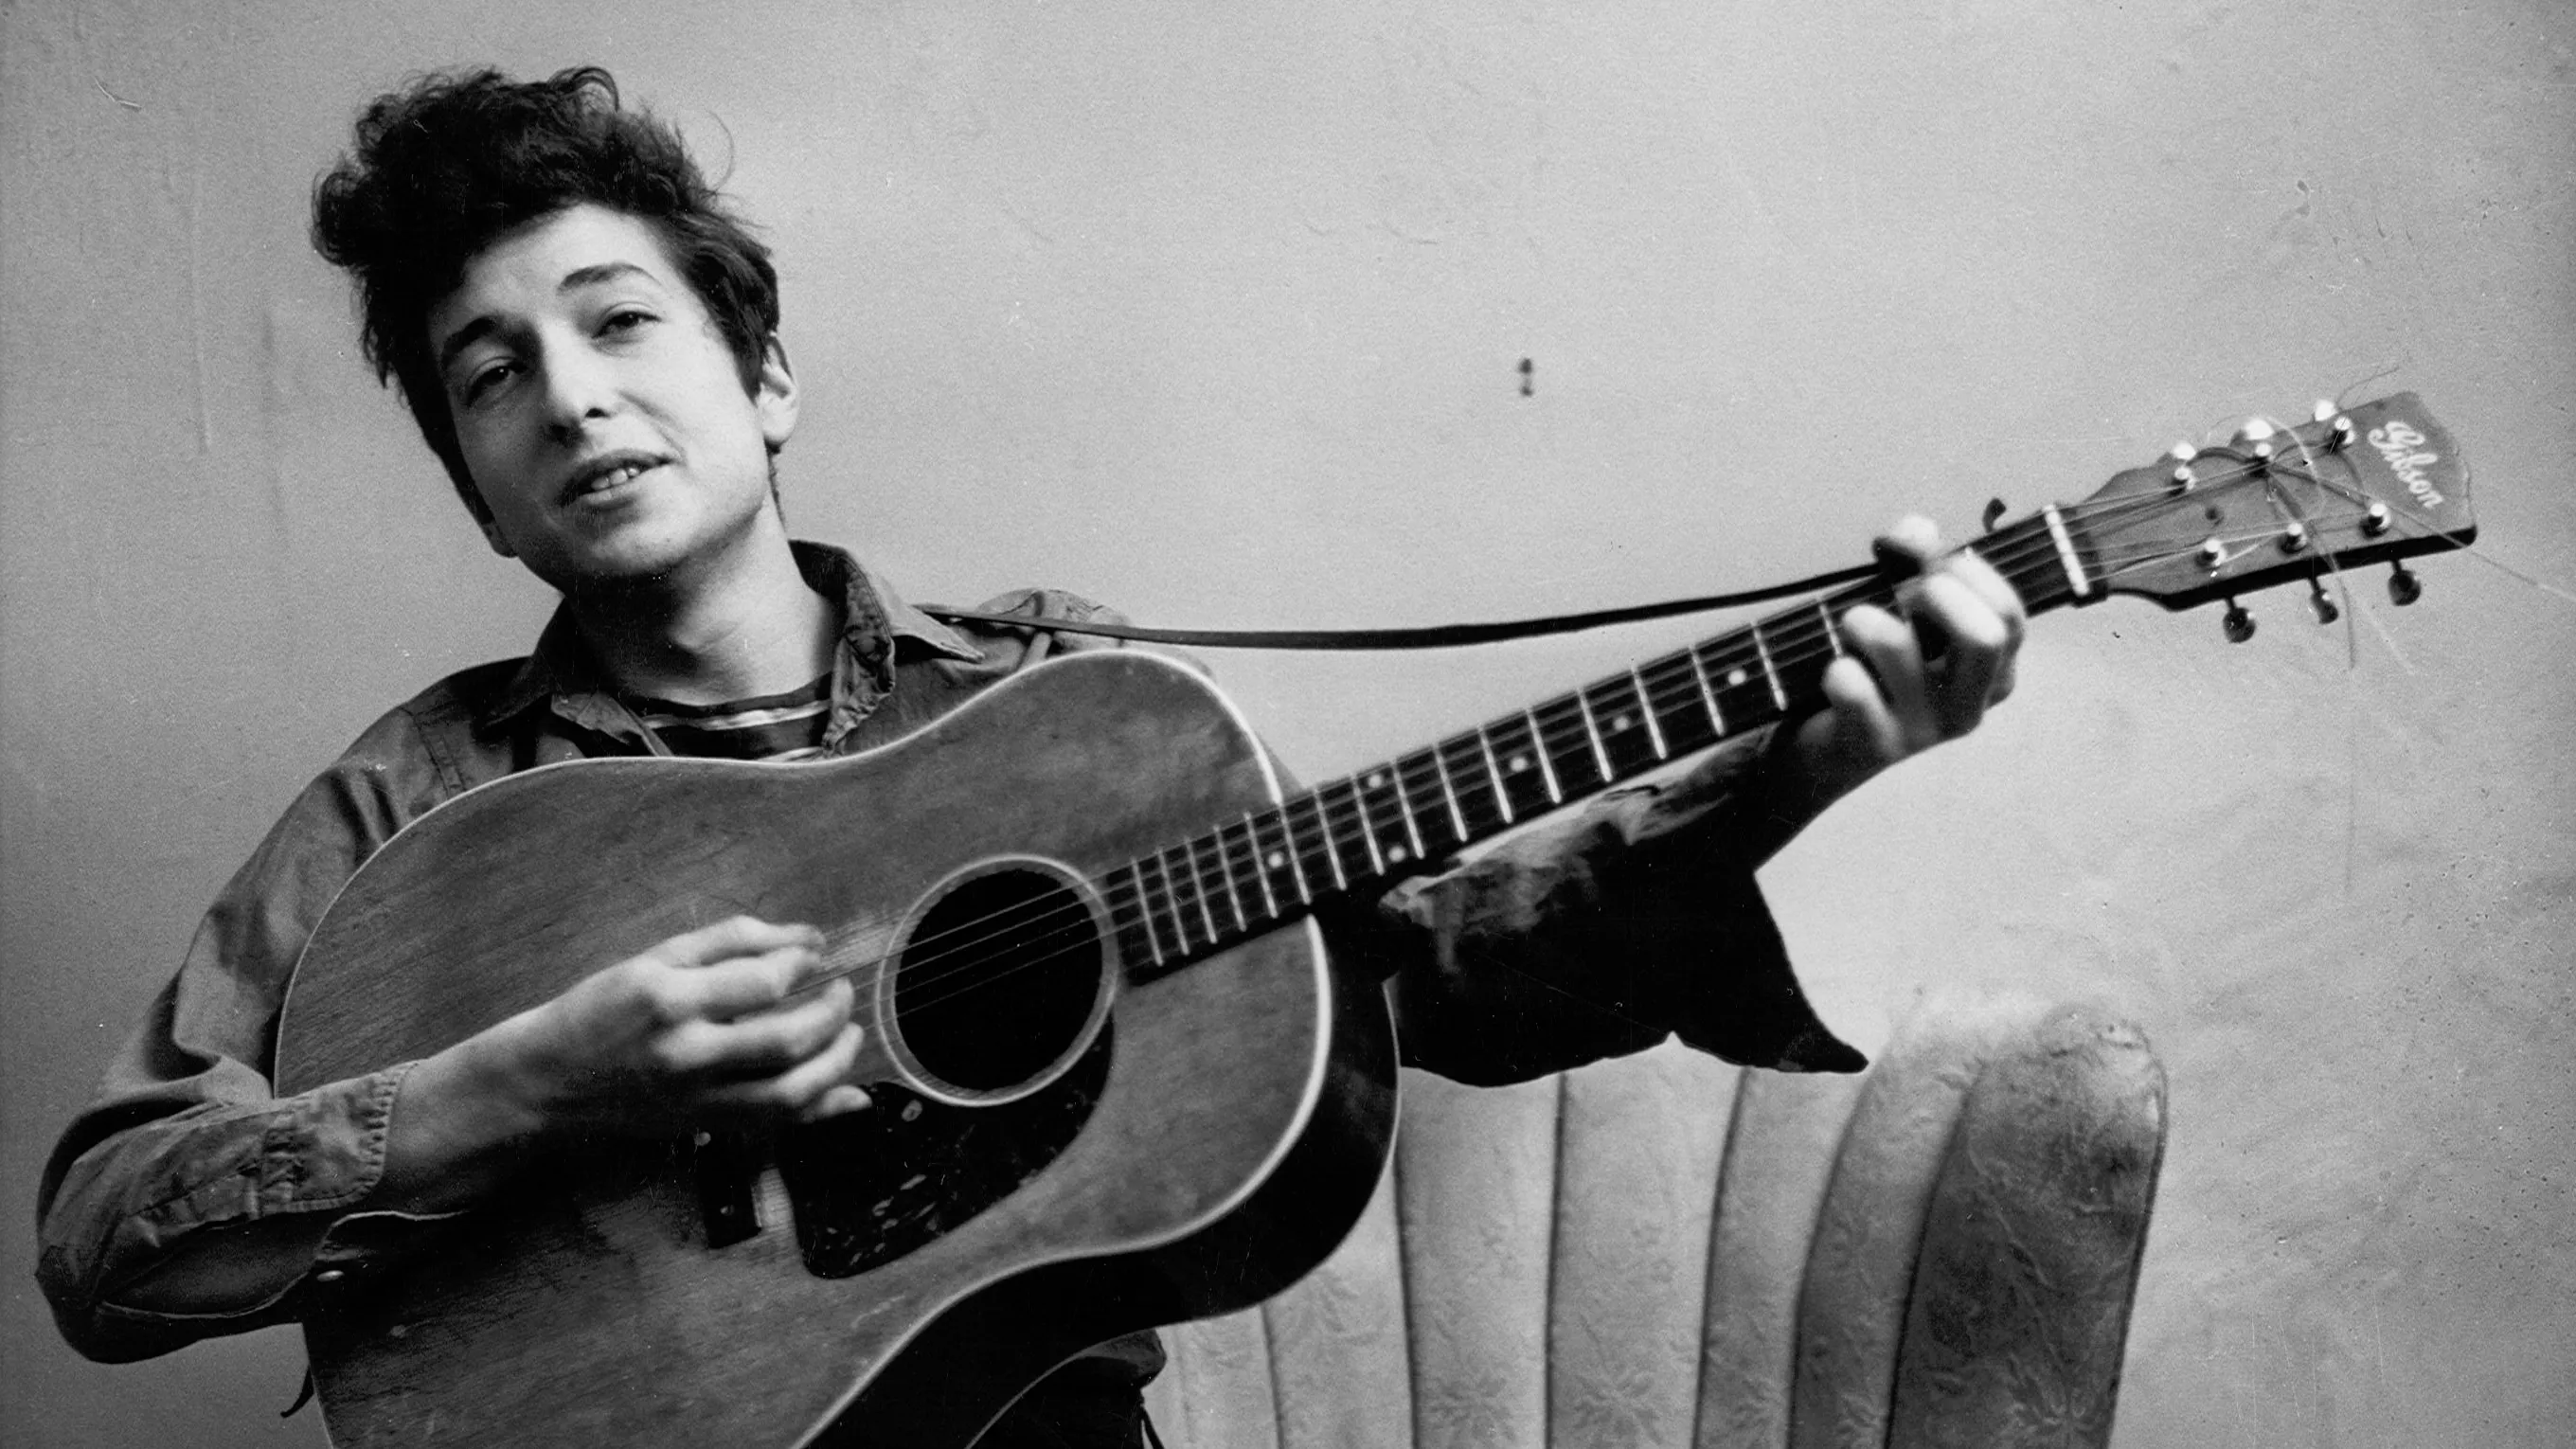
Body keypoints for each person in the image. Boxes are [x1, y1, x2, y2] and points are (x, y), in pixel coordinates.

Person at [33, 66, 2026, 1447]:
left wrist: (1794, 771)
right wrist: (530, 1084)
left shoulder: (1054, 702)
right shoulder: (416, 806)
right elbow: (106, 1243)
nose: (571, 396)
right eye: (493, 376)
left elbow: (1440, 962)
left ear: (765, 374)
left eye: (619, 321)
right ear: (477, 493)